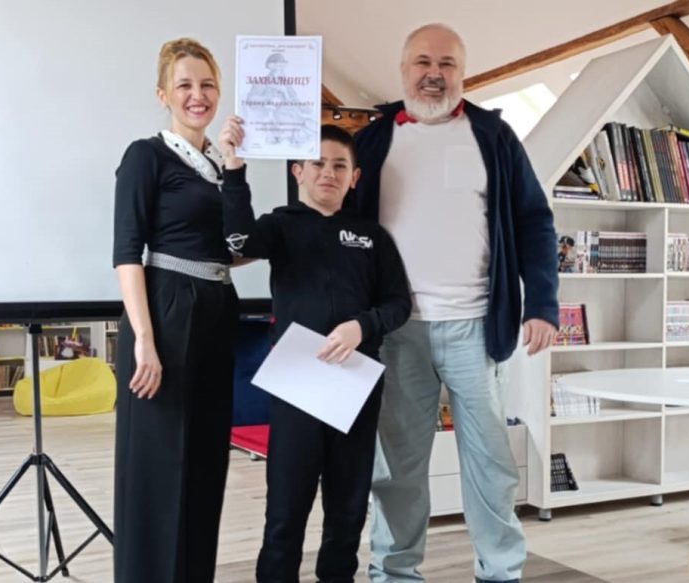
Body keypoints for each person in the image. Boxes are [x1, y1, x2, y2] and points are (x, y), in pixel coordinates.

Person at [346, 23, 560, 583]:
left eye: (447, 64)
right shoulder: (371, 142)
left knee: (491, 465)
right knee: (397, 467)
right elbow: (339, 229)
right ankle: (394, 573)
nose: (434, 74)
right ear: (403, 70)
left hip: (476, 328)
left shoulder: (495, 136)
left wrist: (542, 303)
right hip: (396, 331)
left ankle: (500, 573)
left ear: (463, 73)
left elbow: (535, 222)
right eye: (423, 62)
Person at [217, 121, 411, 582]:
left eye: (340, 165)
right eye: (318, 163)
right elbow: (237, 241)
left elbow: (398, 303)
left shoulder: (372, 237)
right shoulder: (280, 225)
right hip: (297, 384)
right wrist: (234, 168)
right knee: (287, 506)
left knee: (348, 507)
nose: (328, 172)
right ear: (297, 171)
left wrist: (361, 326)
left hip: (355, 382)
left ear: (355, 177)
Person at [111, 37, 237, 583]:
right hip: (165, 312)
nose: (197, 94)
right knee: (159, 467)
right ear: (163, 94)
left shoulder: (220, 164)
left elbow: (231, 247)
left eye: (207, 84)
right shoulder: (146, 155)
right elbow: (126, 252)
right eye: (184, 84)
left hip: (217, 310)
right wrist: (145, 338)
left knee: (206, 462)